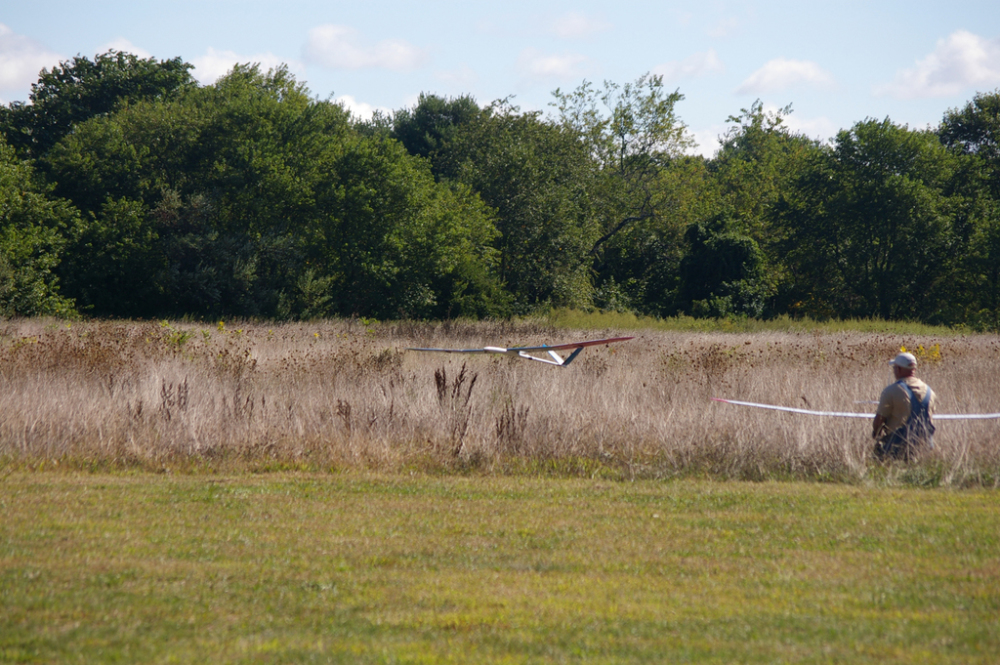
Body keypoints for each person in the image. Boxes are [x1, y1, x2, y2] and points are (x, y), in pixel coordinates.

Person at [872, 352, 936, 461]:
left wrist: (876, 433)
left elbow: (879, 420)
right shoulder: (930, 392)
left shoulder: (891, 391)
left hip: (896, 449)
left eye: (895, 368)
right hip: (923, 448)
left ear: (899, 369)